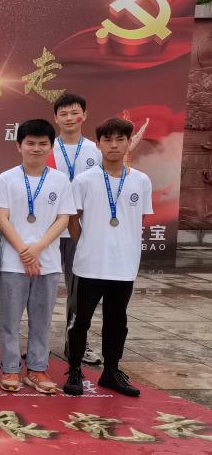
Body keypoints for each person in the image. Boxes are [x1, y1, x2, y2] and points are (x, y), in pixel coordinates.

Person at [64, 117, 153, 398]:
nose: (114, 145)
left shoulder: (141, 181)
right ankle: (75, 370)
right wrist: (86, 243)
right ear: (98, 144)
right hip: (89, 265)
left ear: (129, 143)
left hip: (124, 266)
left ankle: (111, 371)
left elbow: (139, 219)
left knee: (117, 322)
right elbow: (73, 218)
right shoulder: (84, 180)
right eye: (108, 140)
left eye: (120, 139)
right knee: (81, 321)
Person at [0, 119, 75, 394]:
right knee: (10, 319)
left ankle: (37, 369)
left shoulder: (60, 180)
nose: (36, 149)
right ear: (19, 146)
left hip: (47, 262)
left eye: (42, 144)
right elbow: (1, 217)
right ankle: (11, 369)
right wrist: (24, 251)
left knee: (41, 320)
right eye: (30, 143)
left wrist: (37, 248)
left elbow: (63, 219)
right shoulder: (6, 179)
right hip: (12, 262)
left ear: (51, 147)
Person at [51, 93, 104, 367]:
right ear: (55, 118)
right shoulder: (48, 148)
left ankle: (76, 344)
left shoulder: (95, 151)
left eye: (75, 113)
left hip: (79, 232)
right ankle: (37, 343)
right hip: (48, 231)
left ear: (85, 115)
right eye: (64, 114)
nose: (70, 118)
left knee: (78, 292)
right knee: (41, 290)